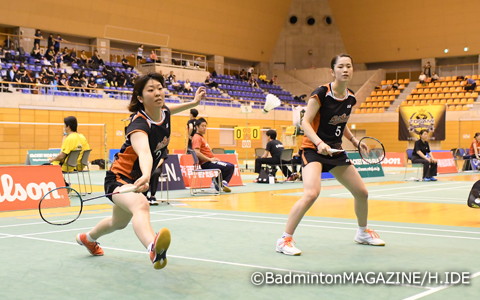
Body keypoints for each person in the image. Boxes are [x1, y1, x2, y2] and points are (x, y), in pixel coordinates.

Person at [76, 73, 206, 269]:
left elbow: (171, 110)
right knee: (141, 205)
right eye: (151, 90)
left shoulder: (164, 113)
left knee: (117, 223)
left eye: (160, 88)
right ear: (140, 97)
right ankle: (152, 247)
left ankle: (88, 238)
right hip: (119, 178)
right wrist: (146, 174)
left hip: (136, 181)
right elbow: (144, 152)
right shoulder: (138, 124)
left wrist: (193, 102)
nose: (157, 93)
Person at [275, 54, 385, 256]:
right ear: (332, 71)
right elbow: (304, 123)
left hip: (335, 151)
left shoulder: (350, 97)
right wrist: (319, 143)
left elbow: (340, 123)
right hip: (313, 149)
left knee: (362, 193)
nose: (345, 70)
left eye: (349, 66)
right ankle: (284, 240)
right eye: (341, 66)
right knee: (311, 193)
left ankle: (362, 233)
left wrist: (354, 142)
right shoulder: (321, 94)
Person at [192, 117, 234, 193]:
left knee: (230, 165)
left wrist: (213, 157)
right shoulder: (197, 138)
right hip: (206, 163)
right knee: (229, 167)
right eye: (202, 126)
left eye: (205, 126)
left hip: (210, 161)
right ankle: (220, 182)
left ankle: (219, 182)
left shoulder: (201, 137)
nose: (204, 128)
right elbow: (197, 153)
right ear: (197, 127)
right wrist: (210, 159)